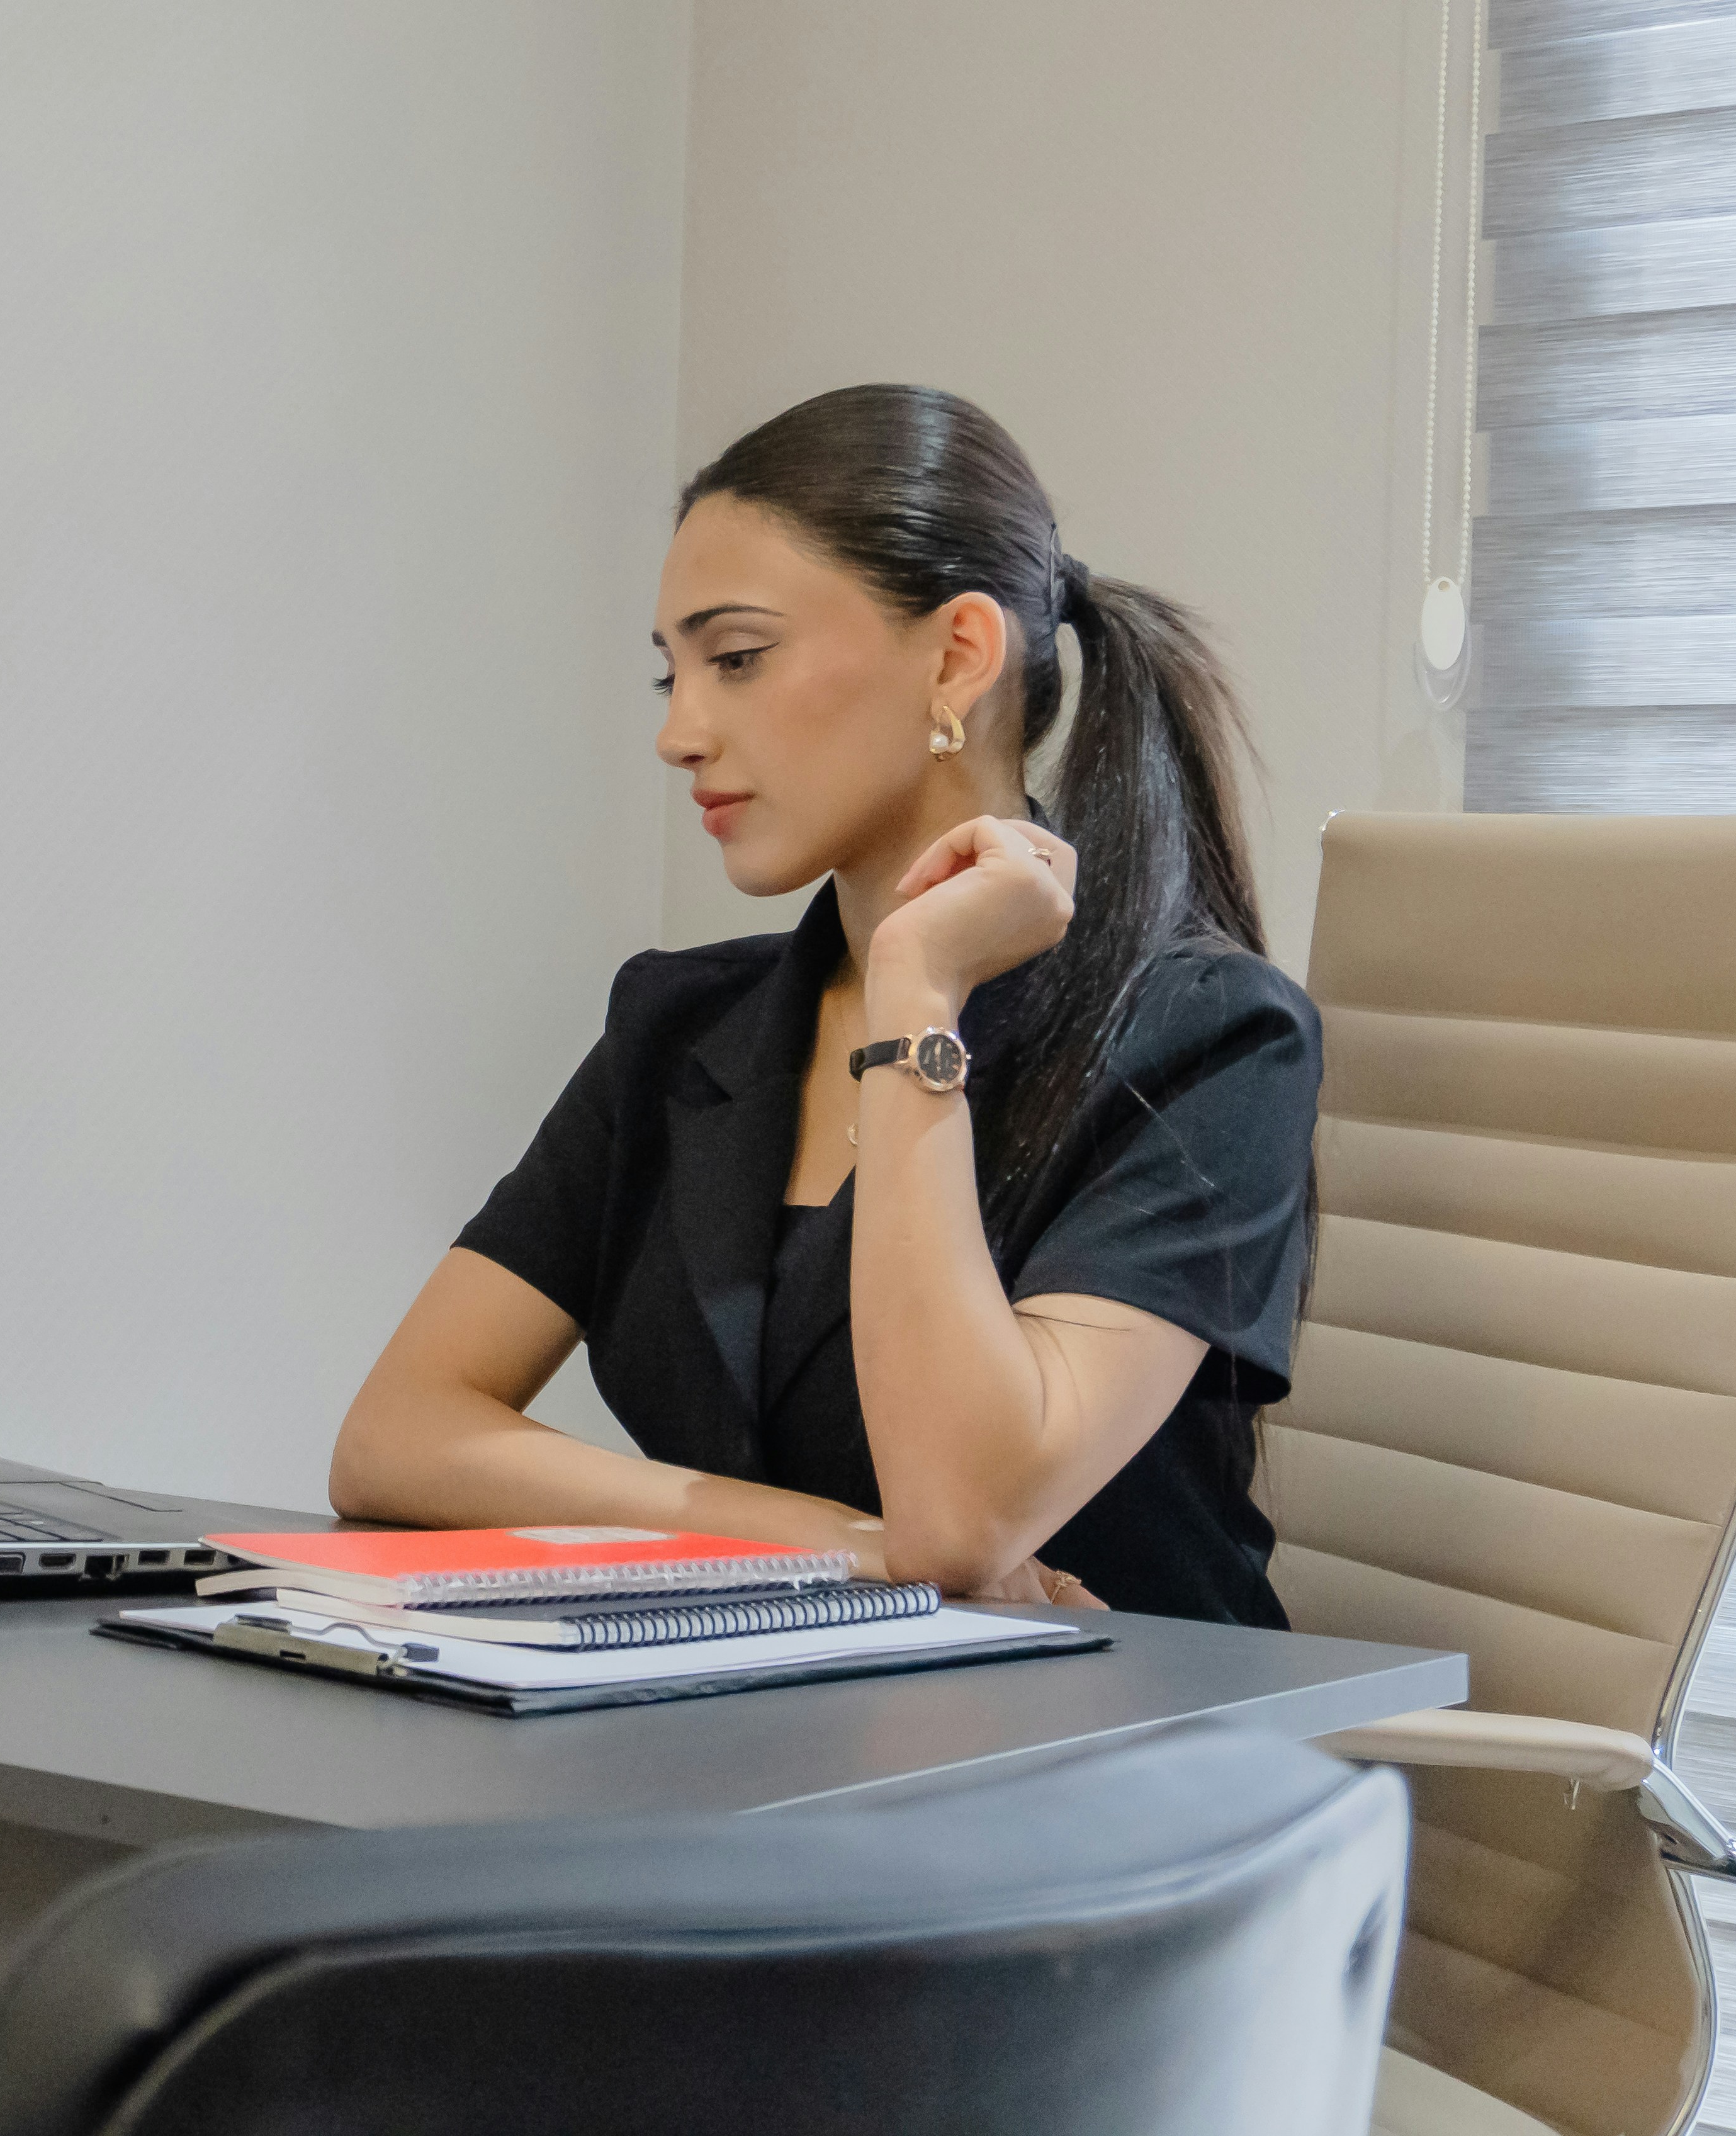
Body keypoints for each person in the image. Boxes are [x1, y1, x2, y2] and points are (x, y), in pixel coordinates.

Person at [328, 385, 1316, 1625]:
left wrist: (916, 993)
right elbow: (394, 1434)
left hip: (1109, 1761)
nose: (681, 734)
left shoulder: (1212, 1037)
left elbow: (962, 1519)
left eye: (737, 658)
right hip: (758, 1733)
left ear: (957, 654)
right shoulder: (677, 1025)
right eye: (671, 676)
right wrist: (831, 1540)